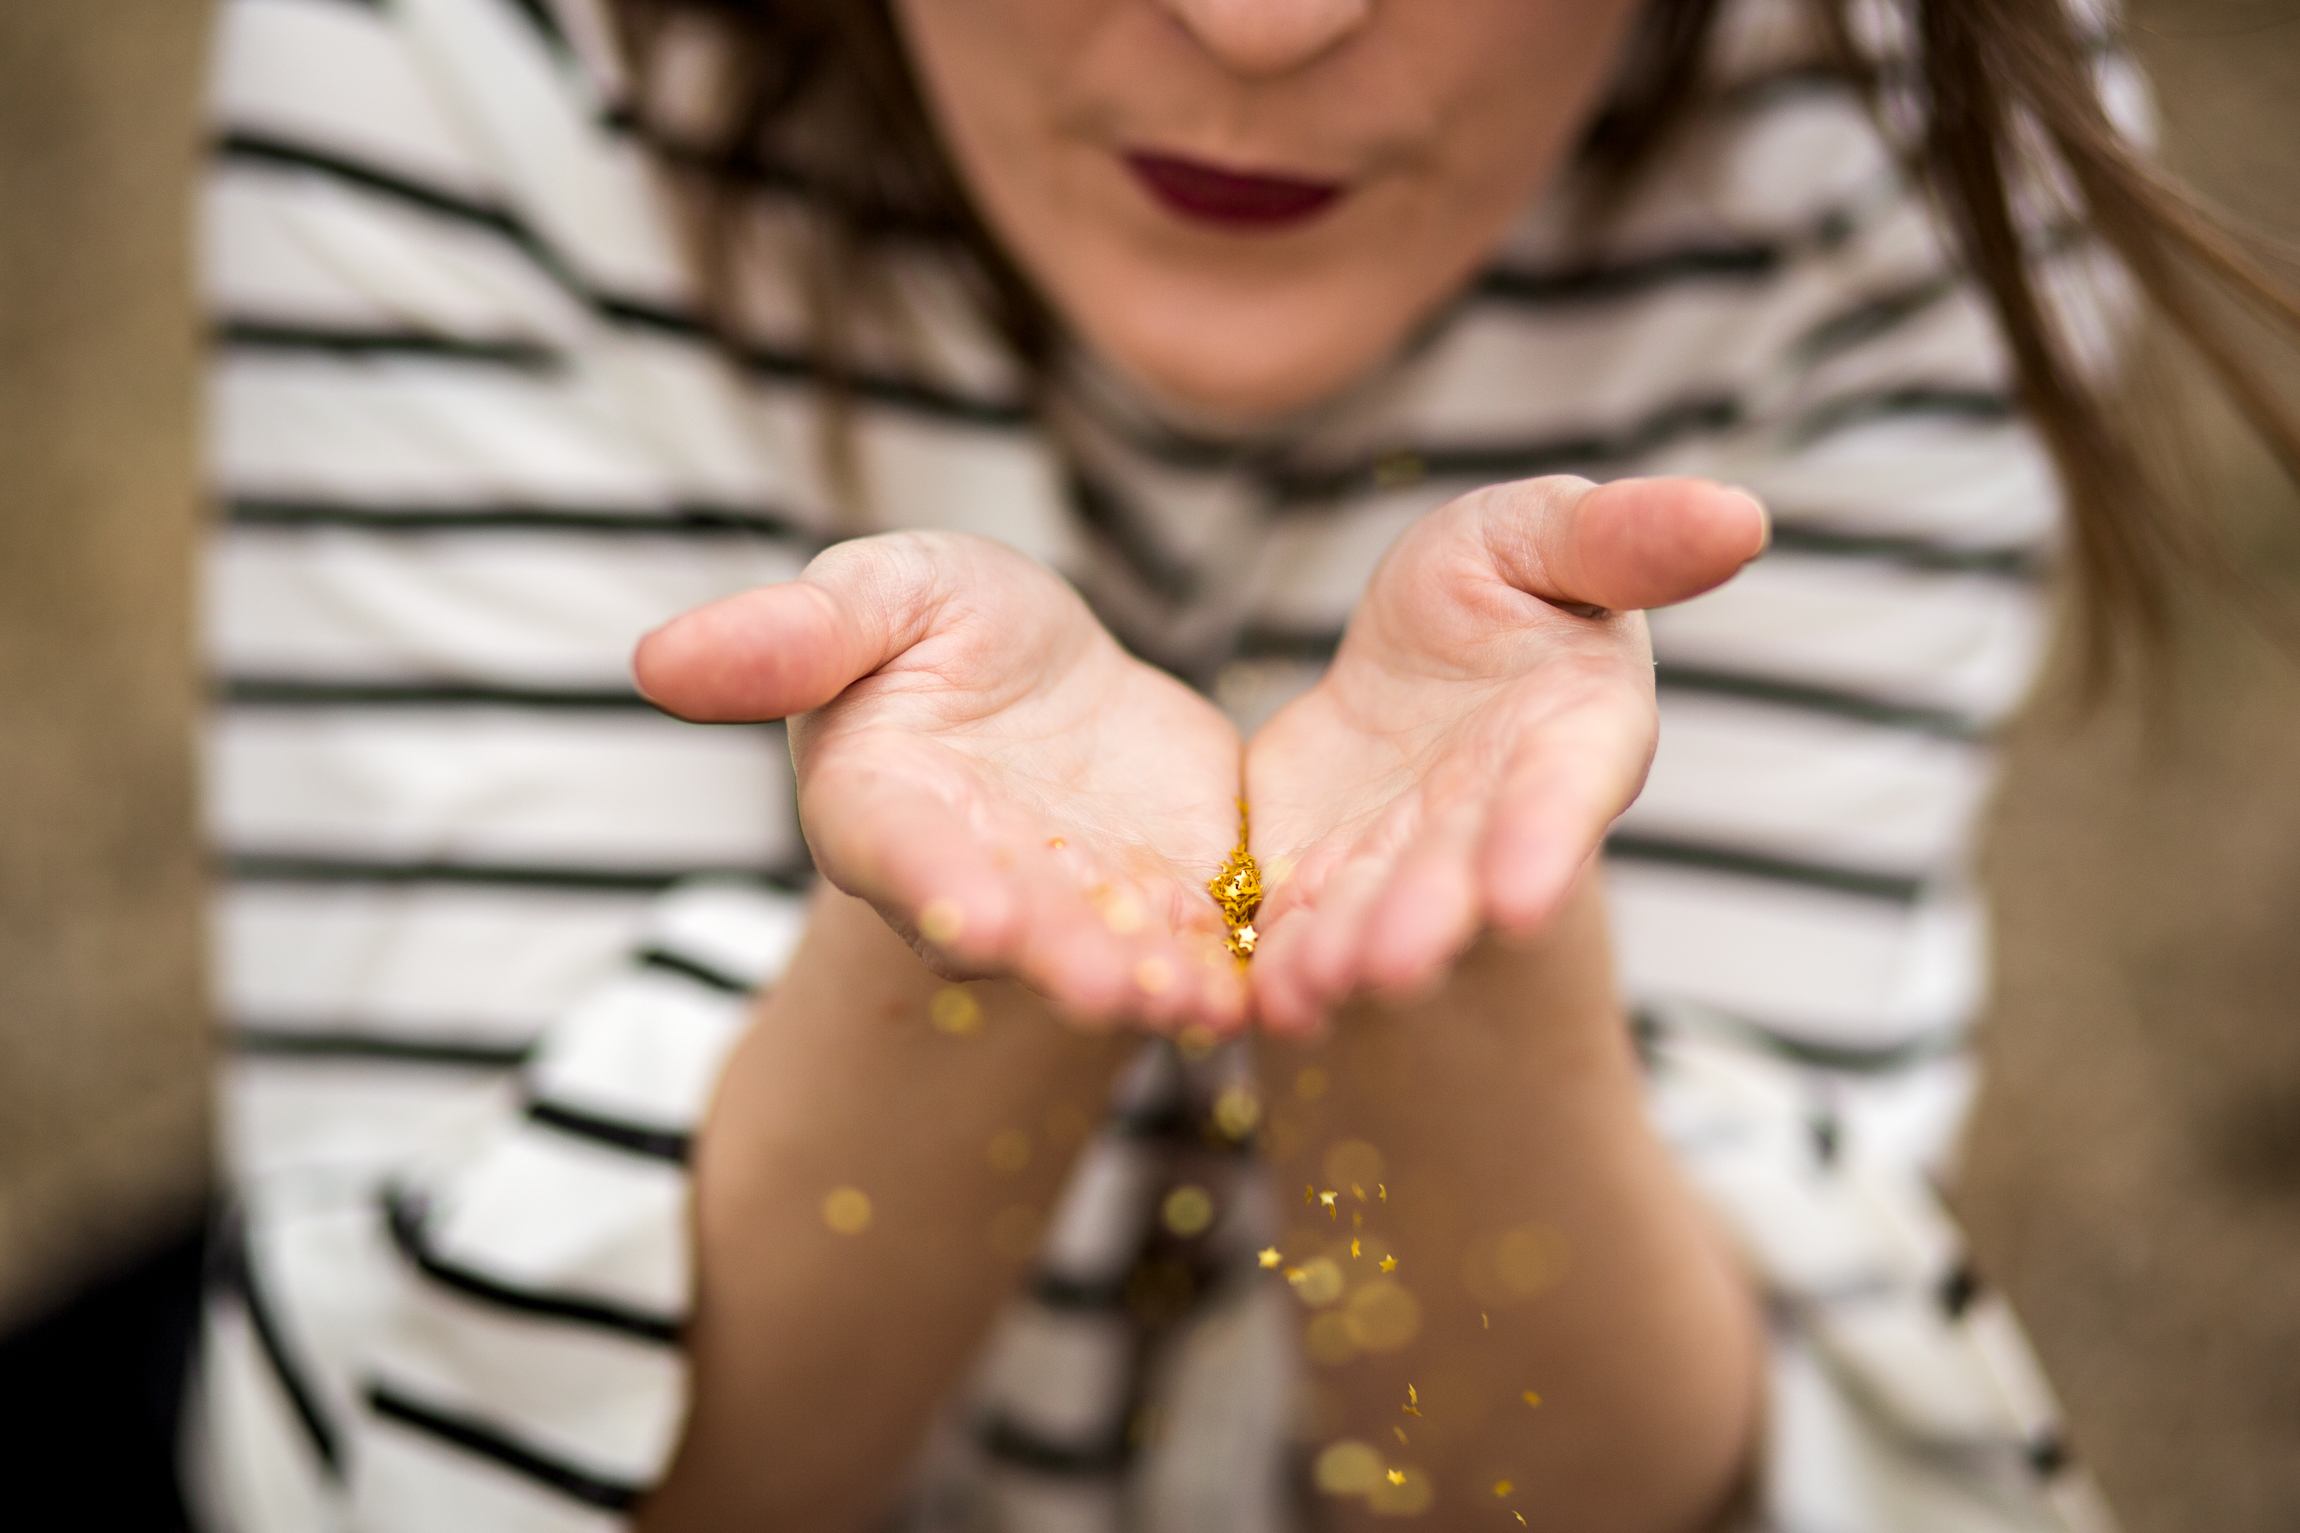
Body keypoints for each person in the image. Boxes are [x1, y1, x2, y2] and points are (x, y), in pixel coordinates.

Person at [186, 0, 2298, 1529]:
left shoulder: (1883, 108)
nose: (1259, 24)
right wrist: (975, 951)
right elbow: (406, 1475)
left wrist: (1453, 957)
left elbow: (1626, 1492)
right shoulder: (466, 51)